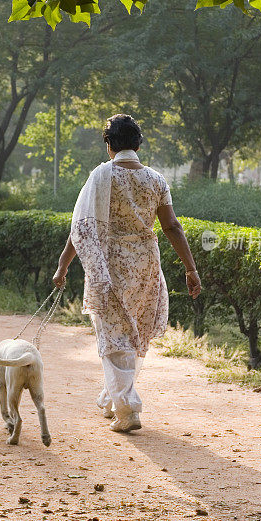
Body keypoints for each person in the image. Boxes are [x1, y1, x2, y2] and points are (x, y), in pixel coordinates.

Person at [52, 114, 201, 433]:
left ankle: (127, 407)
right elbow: (172, 227)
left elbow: (83, 227)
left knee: (113, 334)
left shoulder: (102, 175)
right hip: (146, 265)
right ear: (137, 143)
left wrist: (63, 265)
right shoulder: (156, 180)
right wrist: (191, 268)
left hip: (110, 266)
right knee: (133, 333)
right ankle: (113, 397)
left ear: (109, 144)